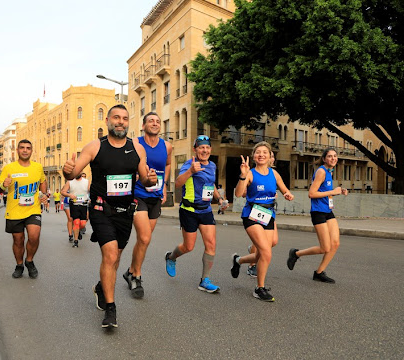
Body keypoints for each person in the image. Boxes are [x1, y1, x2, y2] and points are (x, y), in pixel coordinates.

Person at [63, 104, 157, 329]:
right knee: (111, 254)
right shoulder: (95, 146)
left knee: (115, 259)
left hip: (126, 210)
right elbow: (73, 172)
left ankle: (100, 287)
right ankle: (110, 308)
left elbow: (143, 179)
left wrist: (150, 180)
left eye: (124, 118)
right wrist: (67, 170)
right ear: (107, 120)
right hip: (100, 208)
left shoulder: (137, 148)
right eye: (116, 117)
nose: (121, 121)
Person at [230, 141, 294, 302]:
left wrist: (287, 194)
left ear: (269, 156)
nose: (261, 154)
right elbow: (238, 194)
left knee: (265, 248)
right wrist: (243, 175)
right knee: (266, 252)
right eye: (258, 152)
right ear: (253, 156)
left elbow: (285, 189)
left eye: (264, 152)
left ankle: (239, 260)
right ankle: (259, 288)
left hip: (268, 214)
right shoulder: (250, 173)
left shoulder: (274, 174)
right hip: (252, 214)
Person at [164, 135, 226, 294]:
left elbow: (210, 184)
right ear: (195, 149)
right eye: (201, 147)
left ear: (210, 149)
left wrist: (219, 199)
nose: (204, 150)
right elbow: (178, 183)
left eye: (207, 147)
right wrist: (191, 171)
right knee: (188, 246)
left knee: (211, 244)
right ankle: (171, 257)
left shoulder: (212, 165)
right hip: (189, 210)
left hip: (205, 210)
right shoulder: (189, 164)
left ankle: (205, 280)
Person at [123, 112, 172, 299]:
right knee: (143, 238)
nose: (155, 123)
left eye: (158, 121)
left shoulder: (167, 146)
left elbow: (167, 165)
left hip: (156, 195)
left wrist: (165, 184)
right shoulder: (135, 143)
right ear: (143, 125)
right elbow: (127, 163)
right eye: (151, 121)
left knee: (145, 239)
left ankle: (130, 271)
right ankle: (136, 276)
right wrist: (133, 176)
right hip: (138, 194)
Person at [287, 147, 348, 283]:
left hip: (327, 211)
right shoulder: (321, 171)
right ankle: (296, 254)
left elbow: (325, 191)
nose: (333, 158)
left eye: (335, 156)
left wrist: (339, 191)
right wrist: (333, 191)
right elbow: (312, 193)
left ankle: (319, 272)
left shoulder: (329, 171)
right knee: (324, 248)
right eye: (330, 156)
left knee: (335, 243)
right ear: (324, 158)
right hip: (318, 212)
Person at [0, 139, 48, 279]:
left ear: (31, 151)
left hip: (33, 209)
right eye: (22, 148)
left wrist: (44, 194)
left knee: (34, 236)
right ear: (17, 150)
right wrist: (3, 185)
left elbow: (43, 181)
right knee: (18, 240)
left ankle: (29, 260)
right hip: (14, 211)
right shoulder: (9, 168)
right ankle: (19, 265)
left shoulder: (37, 167)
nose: (25, 150)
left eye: (28, 148)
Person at [246, 151, 278, 277]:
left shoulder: (273, 174)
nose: (272, 158)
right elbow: (243, 193)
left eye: (272, 156)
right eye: (271, 156)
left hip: (269, 211)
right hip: (256, 210)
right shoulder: (254, 173)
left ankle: (251, 251)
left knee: (273, 241)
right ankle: (252, 265)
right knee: (262, 243)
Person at [62, 173, 90, 248]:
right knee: (76, 222)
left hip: (83, 204)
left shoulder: (86, 181)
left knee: (83, 223)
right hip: (74, 204)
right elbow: (63, 192)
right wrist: (69, 195)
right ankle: (76, 241)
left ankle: (78, 232)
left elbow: (91, 191)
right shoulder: (70, 182)